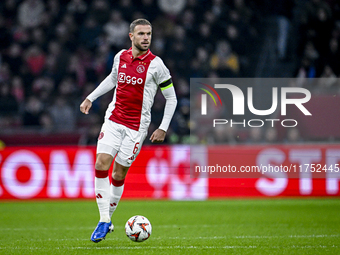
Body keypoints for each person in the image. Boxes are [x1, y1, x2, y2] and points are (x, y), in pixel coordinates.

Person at [80, 18, 177, 243]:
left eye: (149, 34)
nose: (146, 38)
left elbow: (171, 98)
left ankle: (108, 218)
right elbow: (113, 79)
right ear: (131, 36)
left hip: (136, 128)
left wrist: (162, 127)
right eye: (141, 34)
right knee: (101, 163)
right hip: (113, 120)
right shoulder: (120, 57)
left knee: (118, 174)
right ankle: (104, 220)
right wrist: (90, 97)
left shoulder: (157, 65)